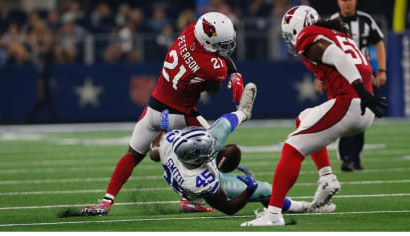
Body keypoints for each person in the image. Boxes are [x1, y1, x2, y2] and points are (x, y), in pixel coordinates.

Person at [81, 12, 244, 216]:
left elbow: (215, 54)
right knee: (210, 149)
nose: (227, 47)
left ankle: (106, 202)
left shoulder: (189, 32)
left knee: (132, 155)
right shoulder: (213, 67)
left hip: (154, 107)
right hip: (181, 114)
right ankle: (190, 199)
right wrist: (235, 74)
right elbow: (217, 73)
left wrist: (232, 72)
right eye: (223, 43)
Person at [241, 5, 387, 226]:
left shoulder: (309, 35)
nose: (291, 39)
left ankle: (273, 215)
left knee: (292, 147)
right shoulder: (336, 33)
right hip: (362, 107)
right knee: (305, 116)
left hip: (350, 103)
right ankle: (327, 178)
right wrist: (359, 89)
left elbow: (339, 57)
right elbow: (358, 63)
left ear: (300, 27)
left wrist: (360, 90)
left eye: (291, 33)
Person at [150, 83, 336, 215]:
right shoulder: (201, 181)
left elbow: (154, 152)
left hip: (188, 164)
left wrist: (164, 128)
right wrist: (249, 189)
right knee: (265, 190)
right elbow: (229, 208)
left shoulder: (171, 144)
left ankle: (243, 113)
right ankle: (304, 207)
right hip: (207, 183)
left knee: (220, 127)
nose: (212, 148)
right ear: (197, 158)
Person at [330, 0, 387, 171]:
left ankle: (355, 157)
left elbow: (379, 43)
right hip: (343, 77)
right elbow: (324, 48)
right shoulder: (333, 21)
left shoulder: (366, 20)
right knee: (346, 116)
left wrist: (382, 70)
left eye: (350, 0)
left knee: (363, 117)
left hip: (365, 76)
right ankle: (347, 158)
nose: (347, 4)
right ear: (338, 2)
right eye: (343, 0)